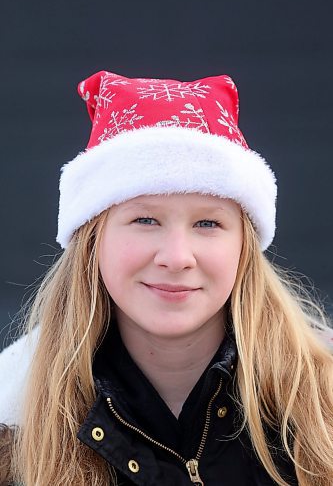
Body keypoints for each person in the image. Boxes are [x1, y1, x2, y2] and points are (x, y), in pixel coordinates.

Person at [0, 70, 332, 486]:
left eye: (208, 223)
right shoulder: (13, 429)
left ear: (244, 248)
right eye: (144, 219)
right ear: (91, 240)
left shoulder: (323, 406)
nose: (177, 258)